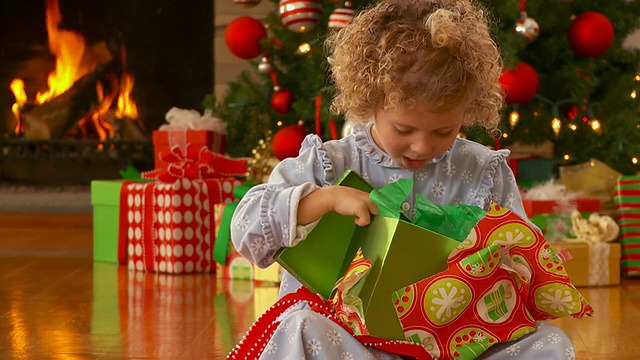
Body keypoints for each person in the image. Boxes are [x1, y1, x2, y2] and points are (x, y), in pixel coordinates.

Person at [230, 0, 575, 358]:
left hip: (456, 344)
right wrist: (325, 199)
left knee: (550, 343)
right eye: (403, 128)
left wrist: (517, 264)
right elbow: (245, 229)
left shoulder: (483, 171)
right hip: (352, 344)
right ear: (370, 99)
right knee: (300, 327)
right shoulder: (328, 162)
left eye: (444, 130)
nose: (422, 146)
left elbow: (519, 255)